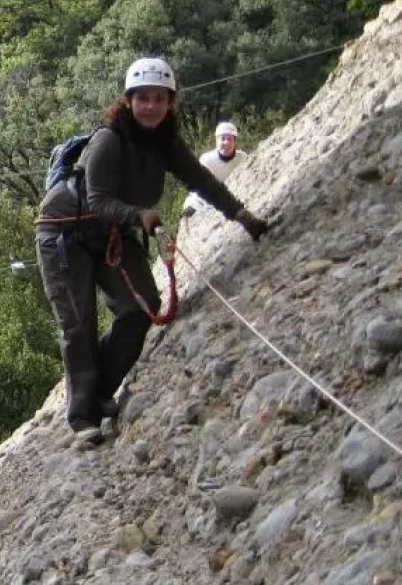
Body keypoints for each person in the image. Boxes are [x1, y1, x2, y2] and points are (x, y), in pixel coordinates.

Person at [35, 58, 270, 441]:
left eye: (158, 99)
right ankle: (83, 419)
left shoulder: (166, 143)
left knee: (141, 305)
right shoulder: (109, 139)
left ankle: (99, 392)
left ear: (170, 102)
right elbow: (96, 200)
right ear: (128, 101)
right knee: (78, 323)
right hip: (64, 233)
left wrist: (242, 216)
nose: (150, 106)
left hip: (114, 230)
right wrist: (140, 214)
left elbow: (203, 181)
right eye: (142, 98)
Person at [182, 120, 249, 217]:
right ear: (217, 141)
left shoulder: (242, 157)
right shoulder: (207, 160)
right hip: (205, 200)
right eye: (223, 139)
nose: (226, 143)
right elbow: (200, 189)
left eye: (230, 139)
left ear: (235, 142)